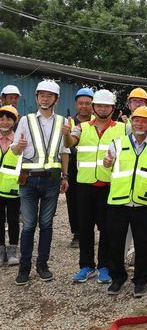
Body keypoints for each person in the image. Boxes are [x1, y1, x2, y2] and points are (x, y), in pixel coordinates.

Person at [63, 89, 126, 285]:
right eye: (99, 105)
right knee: (85, 227)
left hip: (109, 185)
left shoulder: (123, 128)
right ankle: (86, 266)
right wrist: (65, 134)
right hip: (84, 185)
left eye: (106, 106)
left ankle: (104, 267)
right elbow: (70, 143)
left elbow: (146, 132)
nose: (102, 108)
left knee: (106, 228)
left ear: (112, 108)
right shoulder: (81, 127)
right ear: (93, 107)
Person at [103, 106, 147, 297]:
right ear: (131, 122)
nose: (139, 123)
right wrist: (106, 163)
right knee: (115, 242)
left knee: (144, 244)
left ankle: (141, 280)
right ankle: (117, 278)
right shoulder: (118, 143)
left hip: (143, 204)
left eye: (144, 121)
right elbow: (108, 162)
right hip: (118, 202)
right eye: (136, 120)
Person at [11, 80, 69, 285]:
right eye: (41, 95)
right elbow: (14, 150)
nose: (45, 98)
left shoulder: (63, 122)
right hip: (28, 180)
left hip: (52, 181)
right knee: (28, 225)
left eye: (49, 95)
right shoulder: (25, 120)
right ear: (36, 97)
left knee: (46, 224)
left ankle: (42, 265)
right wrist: (18, 146)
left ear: (56, 99)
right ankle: (24, 268)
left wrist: (65, 176)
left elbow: (64, 152)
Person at [65, 87, 95, 248]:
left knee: (91, 201)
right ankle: (77, 233)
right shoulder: (68, 122)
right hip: (72, 167)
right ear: (76, 104)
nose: (84, 106)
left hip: (92, 168)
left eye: (88, 103)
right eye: (81, 103)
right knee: (73, 201)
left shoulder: (97, 122)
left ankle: (90, 231)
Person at [0, 105, 22, 266]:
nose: (5, 121)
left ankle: (13, 250)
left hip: (14, 189)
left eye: (9, 119)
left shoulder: (19, 141)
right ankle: (1, 250)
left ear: (14, 122)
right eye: (1, 118)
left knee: (13, 220)